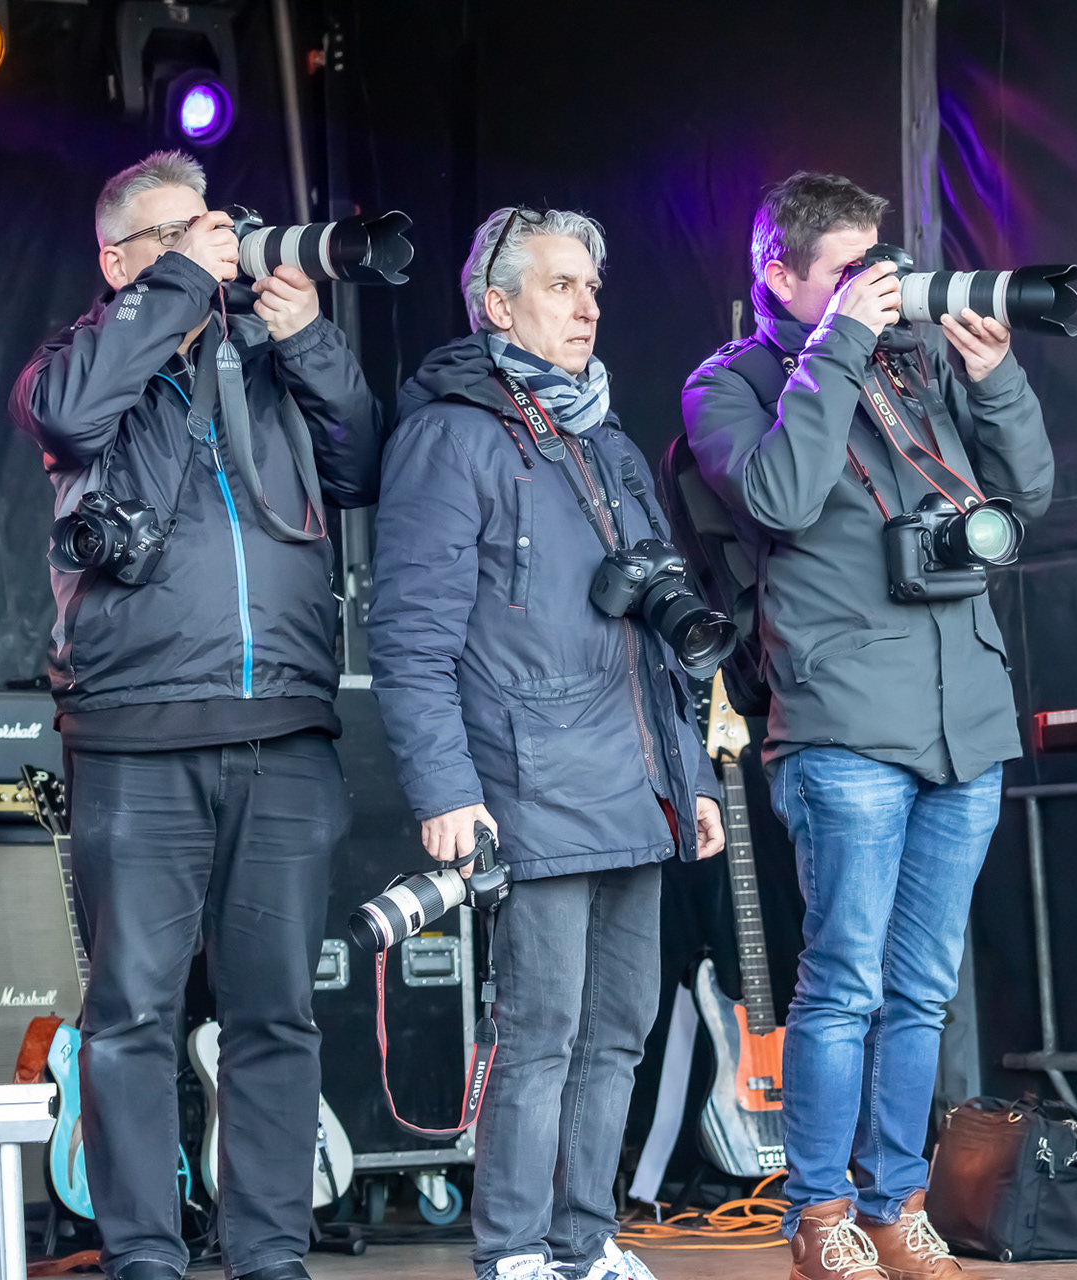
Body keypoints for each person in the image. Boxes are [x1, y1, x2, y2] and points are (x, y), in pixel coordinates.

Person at [8, 150, 383, 1280]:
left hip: (285, 730)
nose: (210, 247)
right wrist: (177, 284)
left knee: (276, 1013)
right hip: (136, 732)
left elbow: (363, 463)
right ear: (118, 258)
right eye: (175, 234)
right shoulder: (74, 364)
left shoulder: (263, 361)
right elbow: (69, 419)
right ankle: (144, 1257)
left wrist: (309, 340)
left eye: (210, 227)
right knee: (133, 1012)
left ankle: (270, 1254)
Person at [683, 172, 1054, 1280]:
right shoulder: (730, 384)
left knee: (923, 987)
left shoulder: (920, 361)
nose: (878, 287)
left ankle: (896, 1206)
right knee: (843, 981)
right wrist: (837, 343)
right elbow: (782, 497)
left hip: (963, 721)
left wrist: (993, 377)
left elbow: (1027, 495)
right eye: (847, 270)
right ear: (780, 274)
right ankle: (820, 1214)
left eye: (877, 264)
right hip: (843, 722)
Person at [369, 206, 725, 1280]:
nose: (587, 307)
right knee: (539, 1033)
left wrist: (694, 777)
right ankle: (515, 1253)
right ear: (497, 304)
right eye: (561, 285)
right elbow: (410, 635)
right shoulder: (452, 435)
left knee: (618, 1030)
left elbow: (660, 631)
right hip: (529, 784)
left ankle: (584, 1242)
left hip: (635, 784)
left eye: (593, 287)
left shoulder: (607, 442)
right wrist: (445, 789)